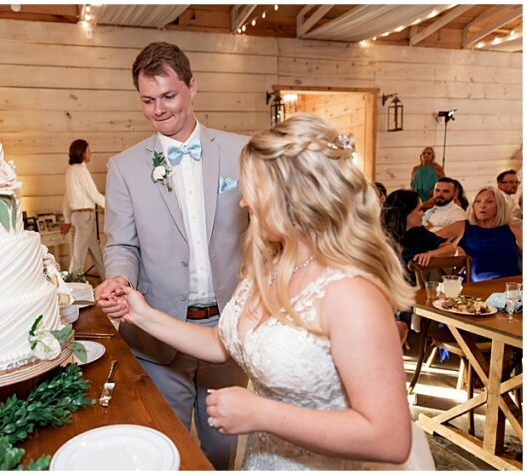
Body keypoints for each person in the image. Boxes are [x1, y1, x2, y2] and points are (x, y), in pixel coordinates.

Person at [109, 114, 433, 469]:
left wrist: (261, 414)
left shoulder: (351, 293)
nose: (245, 203)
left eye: (253, 189)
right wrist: (141, 314)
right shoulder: (273, 265)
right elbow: (222, 342)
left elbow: (390, 438)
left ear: (294, 196)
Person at [95, 41, 249, 470]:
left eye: (168, 96)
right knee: (169, 446)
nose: (159, 109)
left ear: (192, 87)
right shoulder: (124, 167)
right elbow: (121, 244)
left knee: (221, 447)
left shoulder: (241, 151)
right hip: (158, 331)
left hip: (230, 325)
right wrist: (120, 281)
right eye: (147, 100)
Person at [437, 186, 523, 281]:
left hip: (511, 287)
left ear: (499, 206)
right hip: (474, 288)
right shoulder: (462, 226)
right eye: (478, 201)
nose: (482, 206)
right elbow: (429, 240)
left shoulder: (513, 230)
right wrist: (453, 249)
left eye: (489, 202)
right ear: (473, 205)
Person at [380, 190, 459, 281]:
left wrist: (431, 254)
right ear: (405, 213)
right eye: (419, 210)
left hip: (417, 291)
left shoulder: (419, 232)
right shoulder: (380, 236)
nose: (423, 213)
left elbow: (451, 249)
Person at [60, 139, 105, 278]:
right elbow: (93, 194)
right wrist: (114, 207)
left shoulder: (70, 171)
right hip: (85, 216)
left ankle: (108, 279)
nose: (90, 153)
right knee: (78, 254)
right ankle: (72, 286)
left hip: (77, 217)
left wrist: (67, 219)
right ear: (82, 153)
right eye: (88, 150)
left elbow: (67, 198)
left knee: (96, 252)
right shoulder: (81, 171)